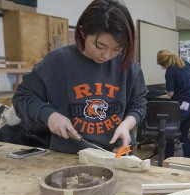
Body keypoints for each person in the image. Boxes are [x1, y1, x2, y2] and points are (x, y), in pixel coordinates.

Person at [12, 0, 147, 154]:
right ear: (82, 32)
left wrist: (127, 124)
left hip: (116, 154)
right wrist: (50, 116)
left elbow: (139, 105)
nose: (107, 56)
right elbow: (22, 98)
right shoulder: (58, 62)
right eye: (99, 46)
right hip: (69, 155)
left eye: (117, 49)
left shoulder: (129, 66)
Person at [157, 50, 190, 158]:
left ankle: (167, 158)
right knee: (184, 134)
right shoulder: (184, 63)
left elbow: (170, 93)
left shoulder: (170, 70)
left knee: (169, 132)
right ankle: (188, 159)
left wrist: (167, 90)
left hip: (181, 106)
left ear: (163, 63)